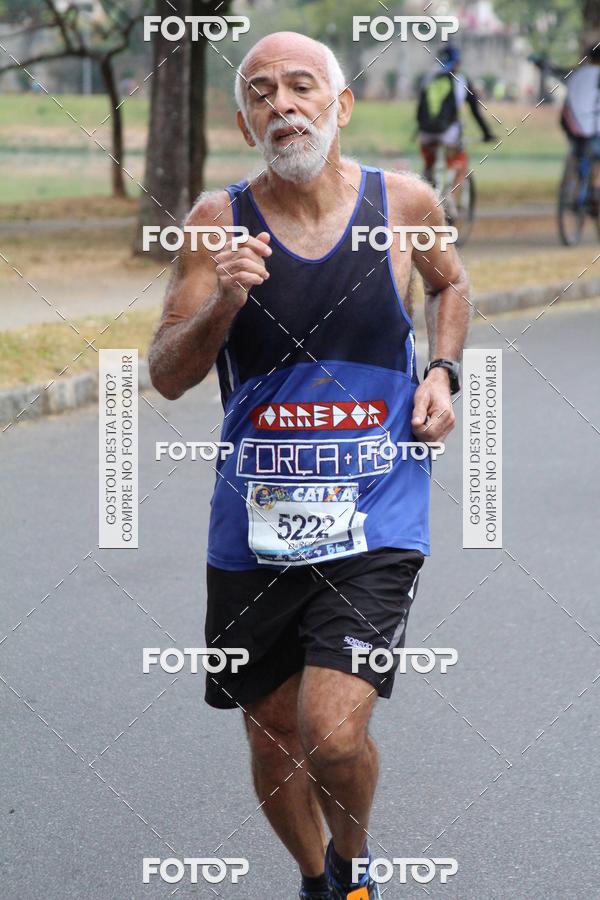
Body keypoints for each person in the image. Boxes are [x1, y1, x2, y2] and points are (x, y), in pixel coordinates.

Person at [149, 31, 470, 900]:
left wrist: (441, 371)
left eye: (301, 87)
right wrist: (224, 299)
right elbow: (168, 374)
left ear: (341, 104)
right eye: (261, 92)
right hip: (253, 531)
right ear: (245, 116)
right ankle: (315, 878)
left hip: (375, 516)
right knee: (272, 740)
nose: (282, 104)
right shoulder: (217, 225)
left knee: (329, 733)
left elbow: (450, 284)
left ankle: (356, 867)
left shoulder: (402, 202)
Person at [417, 44, 496, 215]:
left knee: (429, 164)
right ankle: (450, 195)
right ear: (457, 62)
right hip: (448, 134)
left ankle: (424, 194)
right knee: (461, 162)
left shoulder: (428, 78)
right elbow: (476, 112)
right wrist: (487, 134)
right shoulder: (461, 80)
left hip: (425, 134)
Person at [530, 45, 600, 159]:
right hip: (595, 130)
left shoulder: (576, 74)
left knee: (575, 156)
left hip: (575, 127)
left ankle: (574, 173)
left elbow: (554, 71)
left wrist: (540, 62)